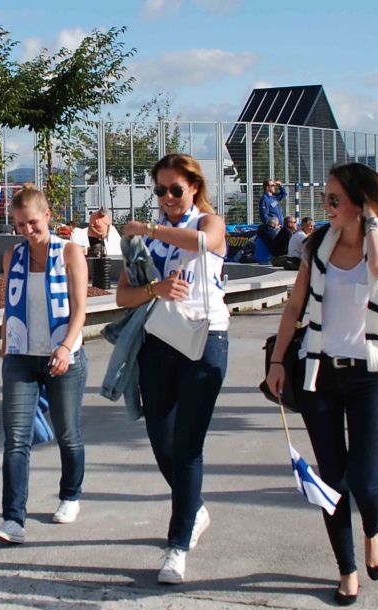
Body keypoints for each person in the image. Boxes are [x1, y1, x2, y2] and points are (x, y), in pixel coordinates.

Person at [264, 162, 378, 607]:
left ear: (361, 203)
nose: (324, 207)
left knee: (365, 481)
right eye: (324, 199)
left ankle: (373, 529)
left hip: (369, 376)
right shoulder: (317, 247)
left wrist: (371, 224)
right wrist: (276, 360)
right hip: (318, 374)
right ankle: (346, 569)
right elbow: (294, 306)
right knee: (332, 482)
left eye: (333, 199)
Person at [117, 153, 229, 585]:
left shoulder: (205, 224)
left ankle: (177, 546)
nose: (166, 198)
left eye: (175, 190)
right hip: (158, 342)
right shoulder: (148, 242)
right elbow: (125, 296)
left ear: (194, 188)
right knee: (162, 441)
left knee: (187, 447)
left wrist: (145, 228)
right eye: (160, 190)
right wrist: (154, 288)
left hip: (205, 340)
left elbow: (204, 244)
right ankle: (194, 508)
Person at [0, 184, 89, 545]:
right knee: (15, 439)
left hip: (63, 356)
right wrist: (5, 347)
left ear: (47, 216)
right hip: (21, 357)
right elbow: (10, 306)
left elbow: (80, 310)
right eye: (19, 225)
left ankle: (70, 495)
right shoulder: (12, 257)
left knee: (68, 434)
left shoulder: (69, 253)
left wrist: (64, 348)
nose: (26, 230)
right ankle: (13, 519)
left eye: (32, 222)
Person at [257, 179, 287, 250]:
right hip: (274, 229)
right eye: (273, 185)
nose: (274, 187)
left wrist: (280, 186)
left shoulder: (273, 197)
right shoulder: (265, 199)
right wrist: (273, 226)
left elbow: (284, 194)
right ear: (267, 187)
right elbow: (264, 216)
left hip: (280, 227)